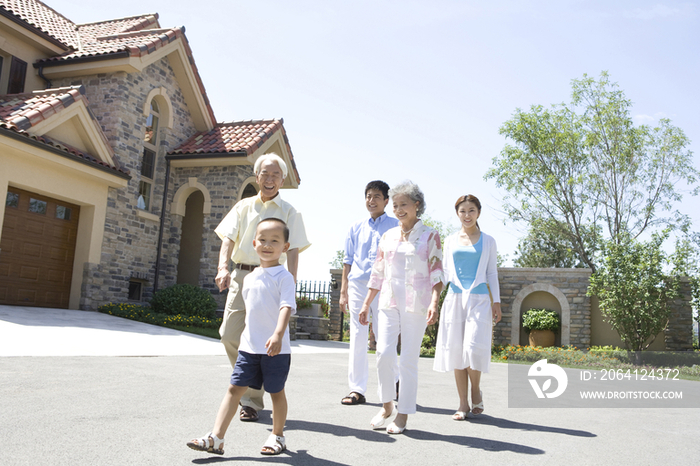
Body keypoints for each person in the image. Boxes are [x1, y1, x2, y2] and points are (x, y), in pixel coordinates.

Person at [188, 218, 296, 456]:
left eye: (275, 241)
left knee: (276, 392)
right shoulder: (249, 277)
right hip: (249, 348)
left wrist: (278, 334)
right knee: (234, 389)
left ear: (285, 247)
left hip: (276, 349)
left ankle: (278, 436)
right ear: (255, 243)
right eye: (263, 240)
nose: (268, 245)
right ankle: (216, 438)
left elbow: (286, 307)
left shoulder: (284, 277)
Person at [214, 153, 310, 422]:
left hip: (273, 279)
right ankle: (252, 391)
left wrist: (290, 280)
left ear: (282, 180)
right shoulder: (243, 206)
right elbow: (228, 239)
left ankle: (251, 401)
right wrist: (223, 268)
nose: (270, 179)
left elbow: (293, 250)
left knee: (266, 341)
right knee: (229, 335)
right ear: (257, 177)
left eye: (275, 175)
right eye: (265, 174)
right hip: (243, 275)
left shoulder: (290, 212)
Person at [359, 180, 443, 434]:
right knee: (383, 353)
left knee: (407, 360)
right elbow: (378, 272)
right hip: (388, 300)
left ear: (417, 205)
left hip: (416, 303)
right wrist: (366, 303)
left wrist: (434, 303)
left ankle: (403, 414)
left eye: (403, 204)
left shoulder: (430, 235)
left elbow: (437, 272)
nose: (398, 209)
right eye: (395, 205)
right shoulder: (388, 235)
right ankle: (387, 405)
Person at [433, 194, 501, 420]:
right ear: (457, 214)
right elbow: (444, 273)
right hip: (454, 299)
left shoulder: (489, 240)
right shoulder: (451, 240)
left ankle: (475, 389)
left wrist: (496, 301)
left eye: (471, 210)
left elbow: (491, 272)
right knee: (456, 351)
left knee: (472, 348)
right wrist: (433, 300)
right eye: (463, 211)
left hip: (479, 299)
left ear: (478, 213)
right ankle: (463, 403)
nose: (467, 215)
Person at [339, 181, 399, 406]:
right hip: (358, 285)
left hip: (385, 286)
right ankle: (357, 389)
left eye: (376, 196)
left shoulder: (396, 226)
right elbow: (347, 261)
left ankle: (394, 382)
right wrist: (343, 291)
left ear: (386, 200)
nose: (371, 200)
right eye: (368, 196)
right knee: (357, 335)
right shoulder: (355, 227)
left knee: (385, 336)